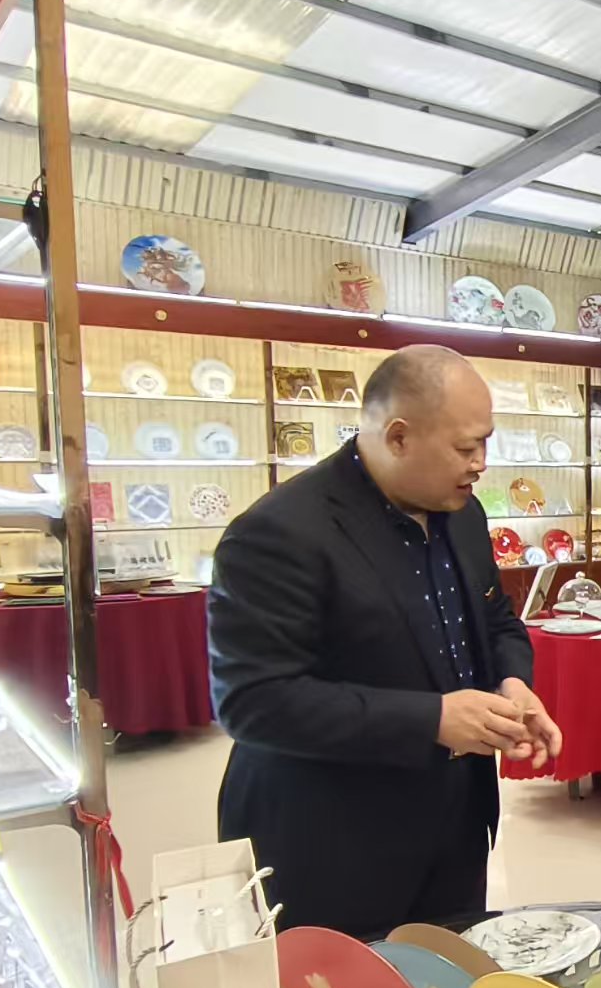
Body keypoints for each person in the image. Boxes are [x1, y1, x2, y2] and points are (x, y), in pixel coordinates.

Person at [209, 345, 562, 935]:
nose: (481, 464)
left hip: (454, 829)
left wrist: (512, 683)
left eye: (486, 443)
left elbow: (495, 620)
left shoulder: (464, 515)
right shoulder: (279, 532)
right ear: (398, 436)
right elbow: (254, 700)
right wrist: (432, 719)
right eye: (466, 448)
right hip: (332, 842)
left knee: (450, 979)